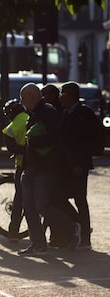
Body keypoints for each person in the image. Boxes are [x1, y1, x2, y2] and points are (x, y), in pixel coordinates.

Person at [17, 83, 81, 256]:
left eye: (23, 98)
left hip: (45, 167)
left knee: (42, 205)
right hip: (32, 167)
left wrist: (34, 140)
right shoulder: (35, 113)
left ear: (30, 96)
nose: (21, 101)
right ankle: (38, 244)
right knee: (29, 207)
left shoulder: (47, 112)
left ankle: (72, 226)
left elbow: (54, 139)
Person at [57, 81, 95, 249]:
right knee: (59, 196)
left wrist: (82, 163)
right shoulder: (66, 112)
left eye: (62, 94)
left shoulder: (83, 113)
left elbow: (88, 141)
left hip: (79, 165)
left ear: (69, 96)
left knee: (80, 199)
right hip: (67, 163)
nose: (60, 97)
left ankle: (85, 237)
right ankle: (78, 224)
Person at [1, 98, 29, 242]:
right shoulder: (30, 117)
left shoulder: (14, 124)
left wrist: (18, 150)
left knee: (19, 200)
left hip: (22, 164)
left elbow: (9, 139)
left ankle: (13, 233)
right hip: (39, 162)